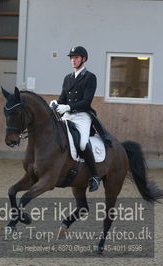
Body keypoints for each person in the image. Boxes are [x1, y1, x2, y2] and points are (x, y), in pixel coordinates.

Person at [50, 46, 105, 192]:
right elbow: (63, 98)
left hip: (82, 116)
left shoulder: (90, 77)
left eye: (76, 58)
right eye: (71, 58)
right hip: (67, 116)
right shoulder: (67, 78)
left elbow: (86, 101)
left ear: (83, 59)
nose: (73, 60)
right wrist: (56, 103)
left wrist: (68, 107)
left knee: (81, 143)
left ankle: (94, 176)